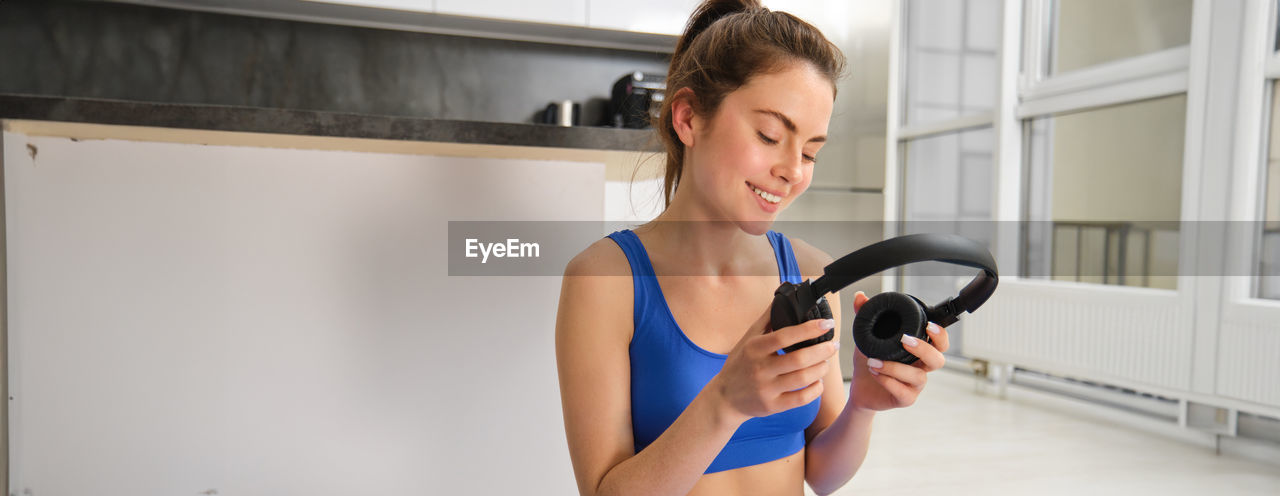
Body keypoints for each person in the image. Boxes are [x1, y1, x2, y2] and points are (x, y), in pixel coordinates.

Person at [554, 1, 950, 494]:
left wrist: (863, 405)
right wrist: (726, 402)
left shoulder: (810, 273)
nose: (794, 170)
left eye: (810, 152)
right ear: (688, 118)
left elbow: (823, 475)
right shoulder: (604, 281)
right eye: (769, 135)